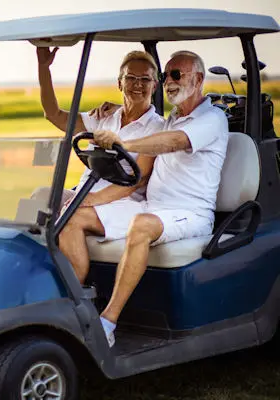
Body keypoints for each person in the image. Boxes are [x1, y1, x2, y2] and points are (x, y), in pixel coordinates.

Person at [89, 50, 229, 346]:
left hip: (190, 213)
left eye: (177, 75)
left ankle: (107, 323)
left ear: (199, 79)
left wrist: (123, 142)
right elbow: (156, 130)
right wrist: (119, 108)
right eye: (166, 76)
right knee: (79, 214)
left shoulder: (212, 119)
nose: (169, 81)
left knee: (140, 225)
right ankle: (78, 305)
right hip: (154, 207)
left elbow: (174, 142)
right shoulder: (173, 118)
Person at [35, 47, 164, 275]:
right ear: (119, 83)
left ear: (154, 85)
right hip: (88, 194)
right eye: (131, 78)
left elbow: (138, 180)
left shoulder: (157, 127)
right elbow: (53, 114)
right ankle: (29, 275)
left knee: (71, 215)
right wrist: (44, 68)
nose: (137, 84)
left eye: (145, 79)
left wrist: (90, 200)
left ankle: (74, 299)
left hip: (123, 203)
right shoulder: (104, 117)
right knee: (39, 198)